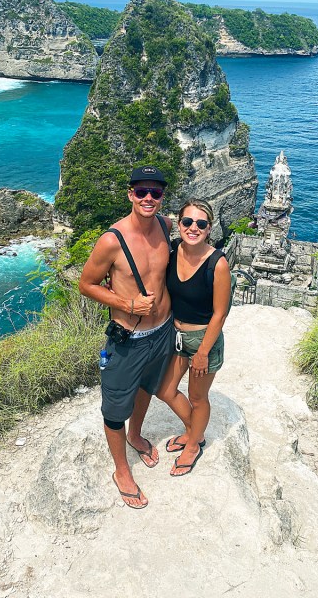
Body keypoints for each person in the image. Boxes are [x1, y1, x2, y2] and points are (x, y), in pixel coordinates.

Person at [79, 165, 175, 509]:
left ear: (162, 197)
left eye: (155, 192)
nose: (148, 198)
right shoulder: (112, 241)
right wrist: (127, 303)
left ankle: (136, 435)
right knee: (115, 408)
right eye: (141, 191)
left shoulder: (166, 226)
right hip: (129, 338)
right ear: (130, 194)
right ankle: (121, 471)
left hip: (163, 331)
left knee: (147, 388)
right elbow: (86, 284)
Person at [157, 199, 231, 477]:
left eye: (201, 223)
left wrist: (202, 353)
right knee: (165, 390)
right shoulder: (173, 250)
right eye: (187, 222)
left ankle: (192, 445)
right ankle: (195, 432)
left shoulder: (217, 263)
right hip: (177, 337)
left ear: (209, 228)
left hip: (203, 340)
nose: (193, 228)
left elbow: (220, 314)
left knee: (197, 398)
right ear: (179, 224)